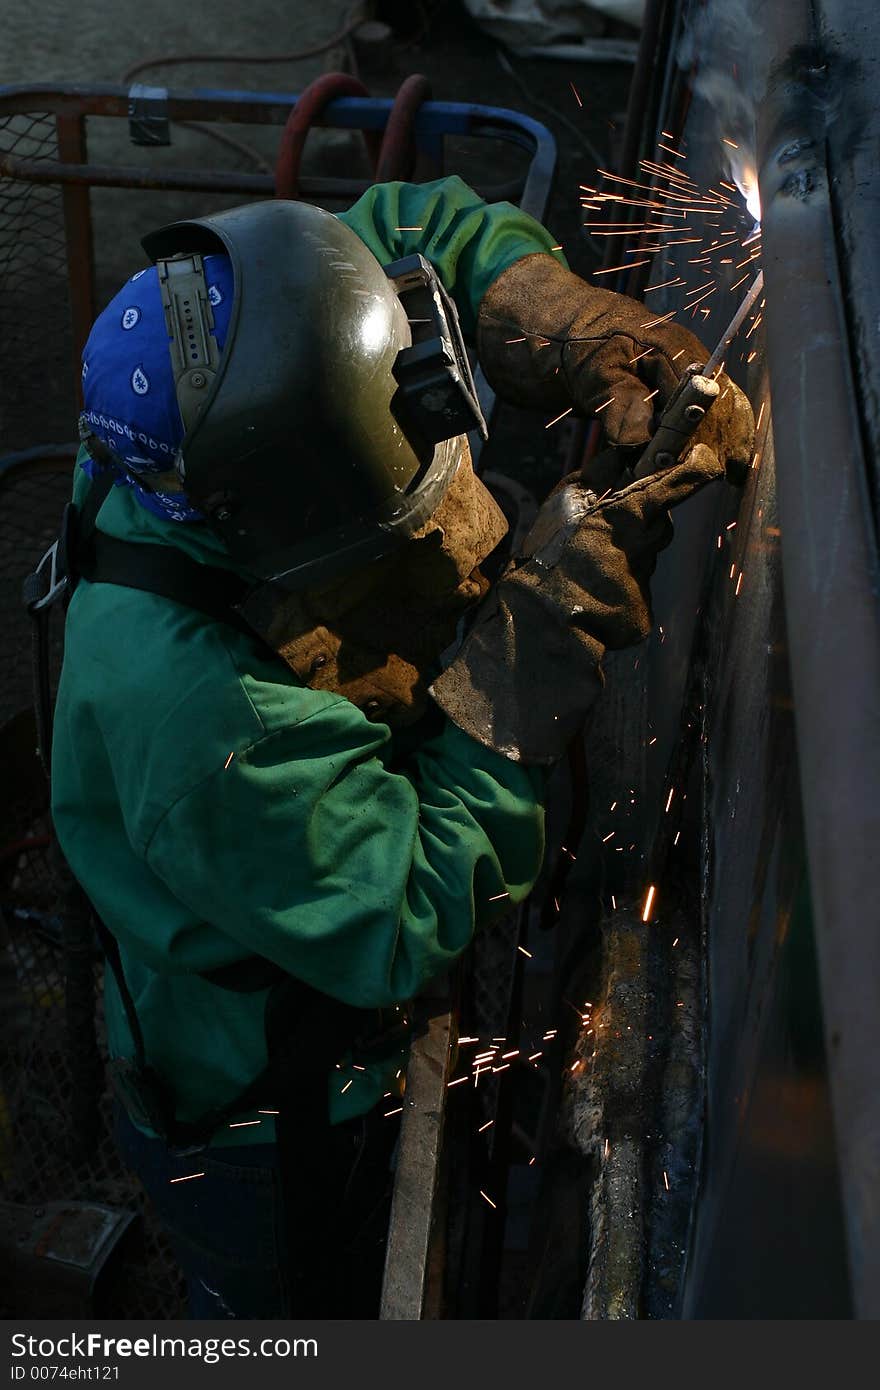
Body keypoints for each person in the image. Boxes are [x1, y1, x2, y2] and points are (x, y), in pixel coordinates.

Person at [48, 175, 752, 1318]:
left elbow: (407, 227)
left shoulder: (238, 350)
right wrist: (536, 643)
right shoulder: (205, 719)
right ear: (294, 531)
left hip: (287, 903)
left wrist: (561, 317)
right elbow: (400, 907)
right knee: (291, 1313)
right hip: (277, 1108)